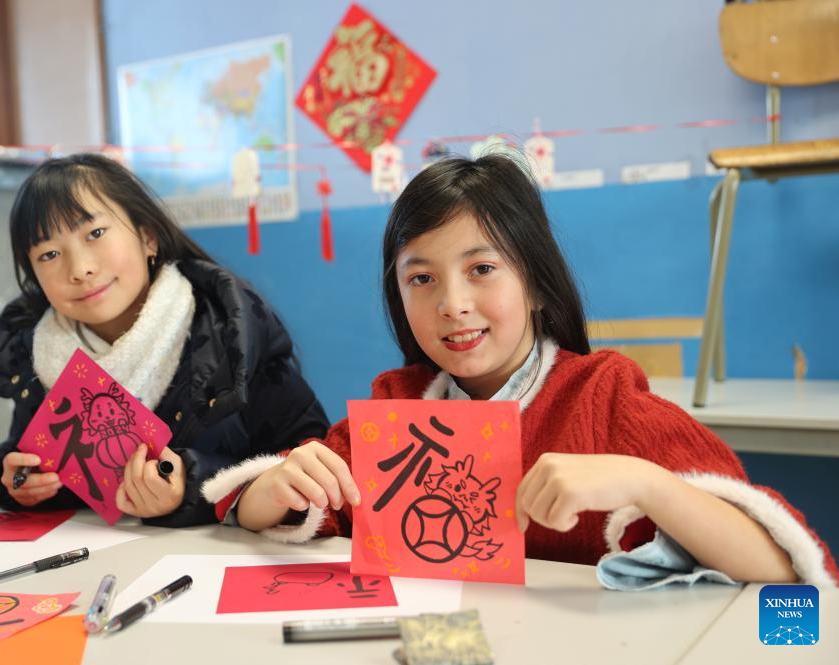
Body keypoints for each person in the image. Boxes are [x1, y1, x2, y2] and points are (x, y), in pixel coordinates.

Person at [203, 154, 837, 586]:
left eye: (482, 269)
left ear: (534, 284)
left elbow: (787, 571)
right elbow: (285, 506)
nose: (452, 303)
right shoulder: (399, 405)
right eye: (421, 279)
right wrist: (271, 491)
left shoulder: (607, 396)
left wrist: (648, 484)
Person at [0, 153, 329, 527]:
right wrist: (19, 479)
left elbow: (311, 459)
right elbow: (63, 479)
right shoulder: (39, 352)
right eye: (49, 254)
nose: (80, 270)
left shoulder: (229, 331)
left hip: (227, 554)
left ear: (148, 237)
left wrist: (192, 486)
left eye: (95, 234)